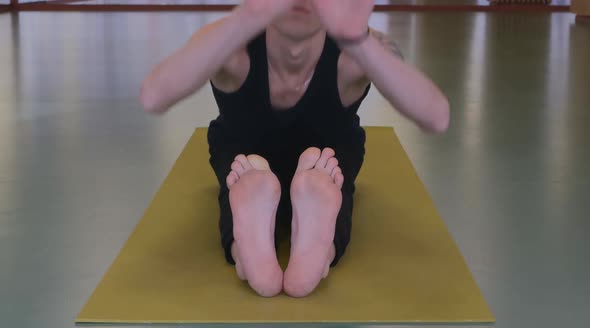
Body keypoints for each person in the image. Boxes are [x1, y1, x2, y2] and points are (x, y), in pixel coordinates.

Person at [139, 0, 450, 298]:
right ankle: (287, 251)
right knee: (247, 181)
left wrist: (356, 40)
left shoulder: (355, 52)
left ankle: (268, 254)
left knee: (328, 182)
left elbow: (436, 116)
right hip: (248, 163)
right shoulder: (232, 45)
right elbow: (154, 95)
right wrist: (246, 18)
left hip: (323, 164)